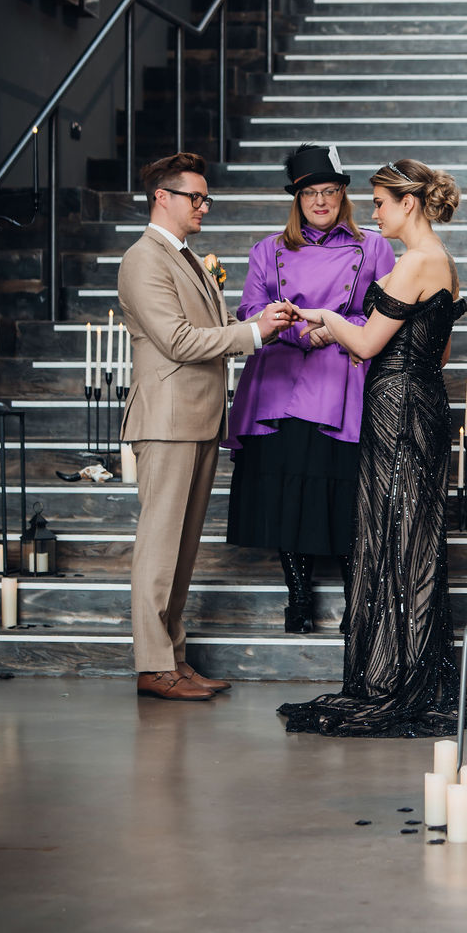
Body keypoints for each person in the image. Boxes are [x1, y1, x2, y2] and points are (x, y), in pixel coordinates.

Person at [277, 158, 467, 737]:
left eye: (381, 201)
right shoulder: (444, 263)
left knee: (391, 529)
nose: (374, 211)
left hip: (397, 405)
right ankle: (417, 667)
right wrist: (332, 323)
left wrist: (328, 320)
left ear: (409, 204)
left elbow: (365, 342)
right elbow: (440, 353)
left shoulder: (413, 263)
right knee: (415, 532)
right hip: (425, 398)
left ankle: (394, 675)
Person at [119, 151, 289, 701]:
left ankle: (173, 657)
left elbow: (209, 328)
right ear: (161, 197)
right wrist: (255, 334)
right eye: (196, 197)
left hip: (197, 417)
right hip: (167, 420)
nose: (204, 207)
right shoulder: (143, 259)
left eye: (207, 198)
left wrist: (260, 323)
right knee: (159, 547)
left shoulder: (186, 256)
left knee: (183, 548)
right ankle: (152, 666)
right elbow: (178, 341)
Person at [224, 144, 394, 633]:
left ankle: (353, 602)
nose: (321, 201)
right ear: (296, 199)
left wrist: (332, 326)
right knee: (286, 490)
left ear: (344, 195)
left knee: (343, 493)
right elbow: (250, 310)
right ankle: (297, 598)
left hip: (341, 378)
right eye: (310, 193)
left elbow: (386, 313)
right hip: (277, 384)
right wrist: (299, 329)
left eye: (330, 191)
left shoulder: (376, 248)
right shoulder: (267, 250)